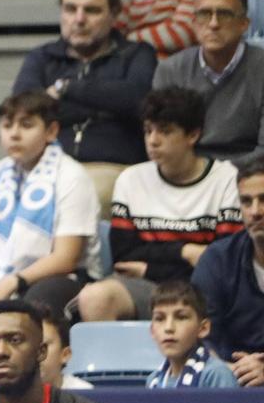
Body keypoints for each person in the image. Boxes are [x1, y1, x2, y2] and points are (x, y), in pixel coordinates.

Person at [75, 89, 241, 322]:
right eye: (148, 130)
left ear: (192, 135)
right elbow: (124, 257)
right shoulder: (131, 179)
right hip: (148, 287)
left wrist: (149, 267)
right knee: (95, 296)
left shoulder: (226, 179)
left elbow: (223, 263)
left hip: (204, 290)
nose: (152, 140)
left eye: (165, 131)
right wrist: (186, 251)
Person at [0, 91, 99, 322]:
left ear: (51, 131)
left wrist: (11, 283)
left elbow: (66, 258)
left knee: (34, 303)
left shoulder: (72, 176)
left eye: (26, 125)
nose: (14, 134)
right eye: (7, 125)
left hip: (62, 278)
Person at [13, 0, 158, 166]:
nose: (79, 20)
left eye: (91, 10)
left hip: (113, 166)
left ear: (114, 14)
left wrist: (66, 89)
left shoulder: (137, 54)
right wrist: (106, 105)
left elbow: (137, 102)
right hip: (47, 167)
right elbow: (24, 112)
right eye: (70, 9)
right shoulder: (41, 57)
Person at [153, 0, 264, 162]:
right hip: (188, 171)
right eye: (204, 14)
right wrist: (198, 175)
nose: (213, 24)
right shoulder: (170, 69)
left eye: (225, 14)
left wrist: (217, 176)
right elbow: (165, 142)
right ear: (194, 22)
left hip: (250, 177)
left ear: (244, 24)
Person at [194, 158, 264, 383]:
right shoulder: (218, 260)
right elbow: (202, 335)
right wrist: (231, 371)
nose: (255, 212)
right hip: (231, 382)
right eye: (246, 201)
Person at [147, 280, 240, 388]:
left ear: (203, 328)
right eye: (160, 318)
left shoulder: (216, 374)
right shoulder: (153, 380)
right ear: (152, 331)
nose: (169, 328)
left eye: (181, 317)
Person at [39, 306, 94, 390]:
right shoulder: (12, 395)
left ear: (65, 354)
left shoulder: (84, 394)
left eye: (43, 345)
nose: (35, 352)